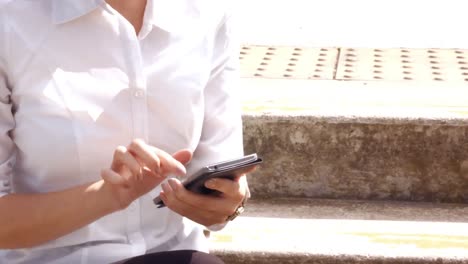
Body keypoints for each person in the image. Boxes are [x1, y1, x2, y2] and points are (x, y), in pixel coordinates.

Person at [0, 0, 252, 263]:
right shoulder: (10, 19)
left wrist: (225, 203)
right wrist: (106, 196)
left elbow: (222, 172)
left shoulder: (208, 13)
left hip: (177, 254)